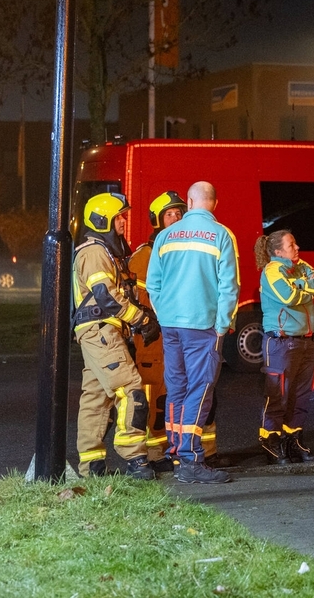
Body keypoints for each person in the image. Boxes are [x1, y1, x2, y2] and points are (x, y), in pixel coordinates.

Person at [147, 181, 239, 484]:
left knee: (176, 388)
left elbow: (153, 285)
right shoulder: (222, 235)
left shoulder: (165, 236)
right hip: (202, 325)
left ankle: (177, 453)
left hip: (171, 324)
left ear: (188, 202)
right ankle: (190, 459)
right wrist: (222, 324)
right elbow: (229, 287)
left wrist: (165, 314)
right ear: (215, 202)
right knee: (200, 390)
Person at [71, 192, 159, 480]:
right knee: (131, 389)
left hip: (99, 331)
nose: (123, 221)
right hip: (101, 330)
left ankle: (92, 466)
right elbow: (106, 298)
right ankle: (135, 458)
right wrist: (142, 318)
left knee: (96, 399)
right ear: (102, 220)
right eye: (119, 216)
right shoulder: (94, 252)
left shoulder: (101, 250)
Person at [255, 230, 314, 464]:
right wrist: (306, 287)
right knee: (277, 395)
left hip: (306, 341)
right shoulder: (272, 271)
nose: (297, 248)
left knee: (300, 396)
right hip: (281, 343)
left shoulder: (300, 266)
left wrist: (300, 285)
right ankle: (271, 443)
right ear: (278, 251)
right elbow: (288, 297)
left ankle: (293, 440)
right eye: (291, 245)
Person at [128, 190, 187, 473]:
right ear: (157, 221)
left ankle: (177, 451)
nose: (175, 219)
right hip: (151, 337)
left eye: (179, 213)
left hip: (177, 333)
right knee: (151, 397)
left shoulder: (187, 250)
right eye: (169, 215)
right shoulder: (145, 255)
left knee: (175, 396)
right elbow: (137, 299)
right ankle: (151, 454)